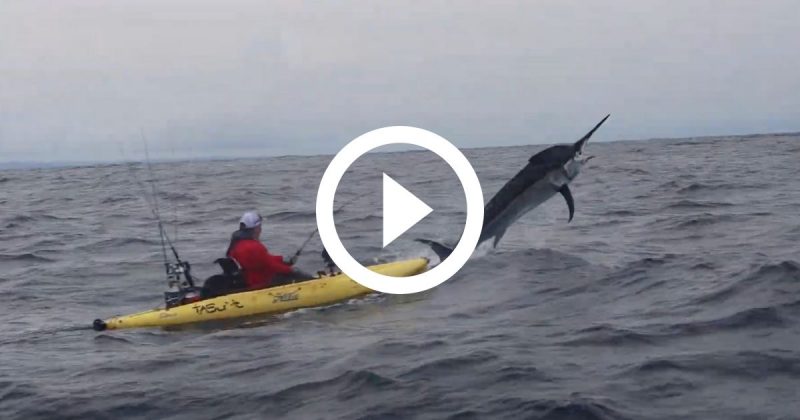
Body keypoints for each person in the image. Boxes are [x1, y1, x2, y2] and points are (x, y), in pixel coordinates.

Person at [225, 211, 298, 290]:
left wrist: (282, 259)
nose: (260, 229)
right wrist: (291, 270)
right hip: (260, 284)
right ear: (256, 228)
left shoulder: (237, 243)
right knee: (296, 275)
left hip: (248, 280)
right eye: (259, 226)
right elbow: (271, 266)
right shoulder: (254, 247)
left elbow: (264, 259)